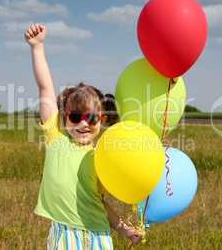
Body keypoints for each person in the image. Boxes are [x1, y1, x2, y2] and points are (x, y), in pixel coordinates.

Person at [24, 23, 144, 249]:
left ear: (102, 121)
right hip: (65, 232)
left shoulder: (101, 157)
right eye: (76, 116)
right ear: (63, 117)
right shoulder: (56, 137)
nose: (83, 124)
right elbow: (44, 86)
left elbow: (99, 202)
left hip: (99, 234)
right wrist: (37, 47)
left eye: (91, 118)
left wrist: (123, 229)